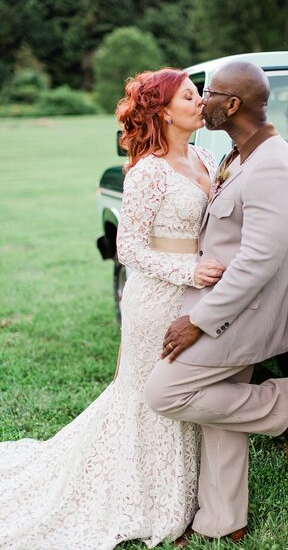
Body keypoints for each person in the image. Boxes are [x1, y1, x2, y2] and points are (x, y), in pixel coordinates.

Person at [0, 68, 223, 549]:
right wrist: (191, 271)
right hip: (157, 298)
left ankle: (187, 486)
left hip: (196, 299)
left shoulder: (207, 156)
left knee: (182, 390)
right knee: (146, 395)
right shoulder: (148, 171)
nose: (200, 100)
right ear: (164, 111)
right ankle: (146, 497)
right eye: (190, 95)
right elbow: (129, 249)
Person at [144, 61, 288, 546]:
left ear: (231, 105)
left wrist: (197, 320)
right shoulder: (238, 156)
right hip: (222, 307)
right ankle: (223, 519)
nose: (202, 102)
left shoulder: (274, 164)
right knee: (220, 414)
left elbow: (258, 263)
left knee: (166, 393)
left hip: (241, 317)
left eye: (209, 94)